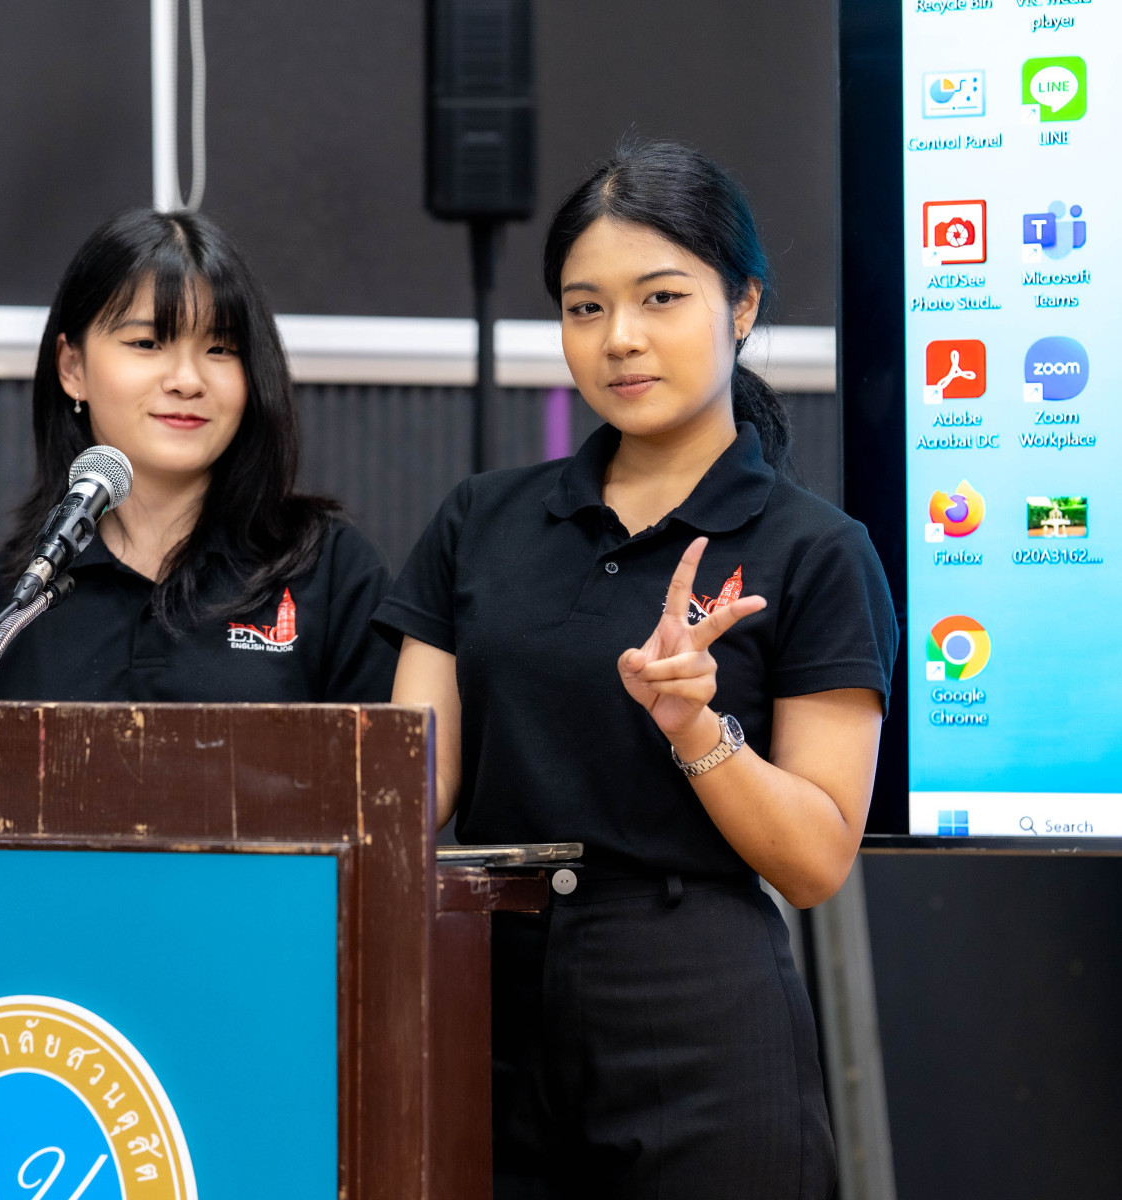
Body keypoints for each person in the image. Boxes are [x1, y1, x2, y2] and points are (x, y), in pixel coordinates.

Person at [373, 140, 899, 1198]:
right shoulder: (480, 520)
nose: (620, 337)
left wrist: (698, 729)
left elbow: (815, 862)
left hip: (698, 1011)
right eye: (585, 308)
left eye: (661, 297)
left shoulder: (815, 549)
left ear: (742, 305)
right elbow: (407, 791)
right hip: (485, 994)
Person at [0, 209, 395, 703]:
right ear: (72, 367)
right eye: (147, 343)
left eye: (220, 348)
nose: (187, 381)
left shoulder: (333, 575)